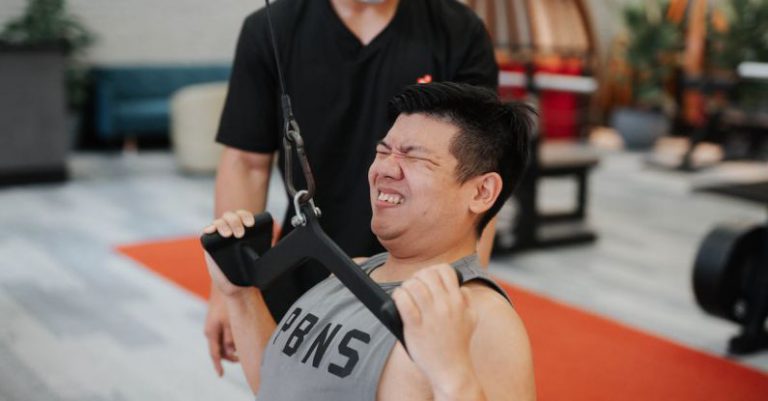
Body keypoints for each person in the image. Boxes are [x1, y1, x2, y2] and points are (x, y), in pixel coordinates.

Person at [207, 0, 500, 376]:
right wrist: (226, 292)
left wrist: (467, 287)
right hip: (304, 269)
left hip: (417, 279)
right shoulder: (271, 28)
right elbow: (246, 163)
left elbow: (478, 176)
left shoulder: (459, 32)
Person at [203, 82, 536, 400]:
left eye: (414, 157)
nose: (385, 169)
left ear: (481, 192)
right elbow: (277, 385)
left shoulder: (484, 319)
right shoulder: (354, 271)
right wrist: (240, 294)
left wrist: (453, 379)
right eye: (383, 150)